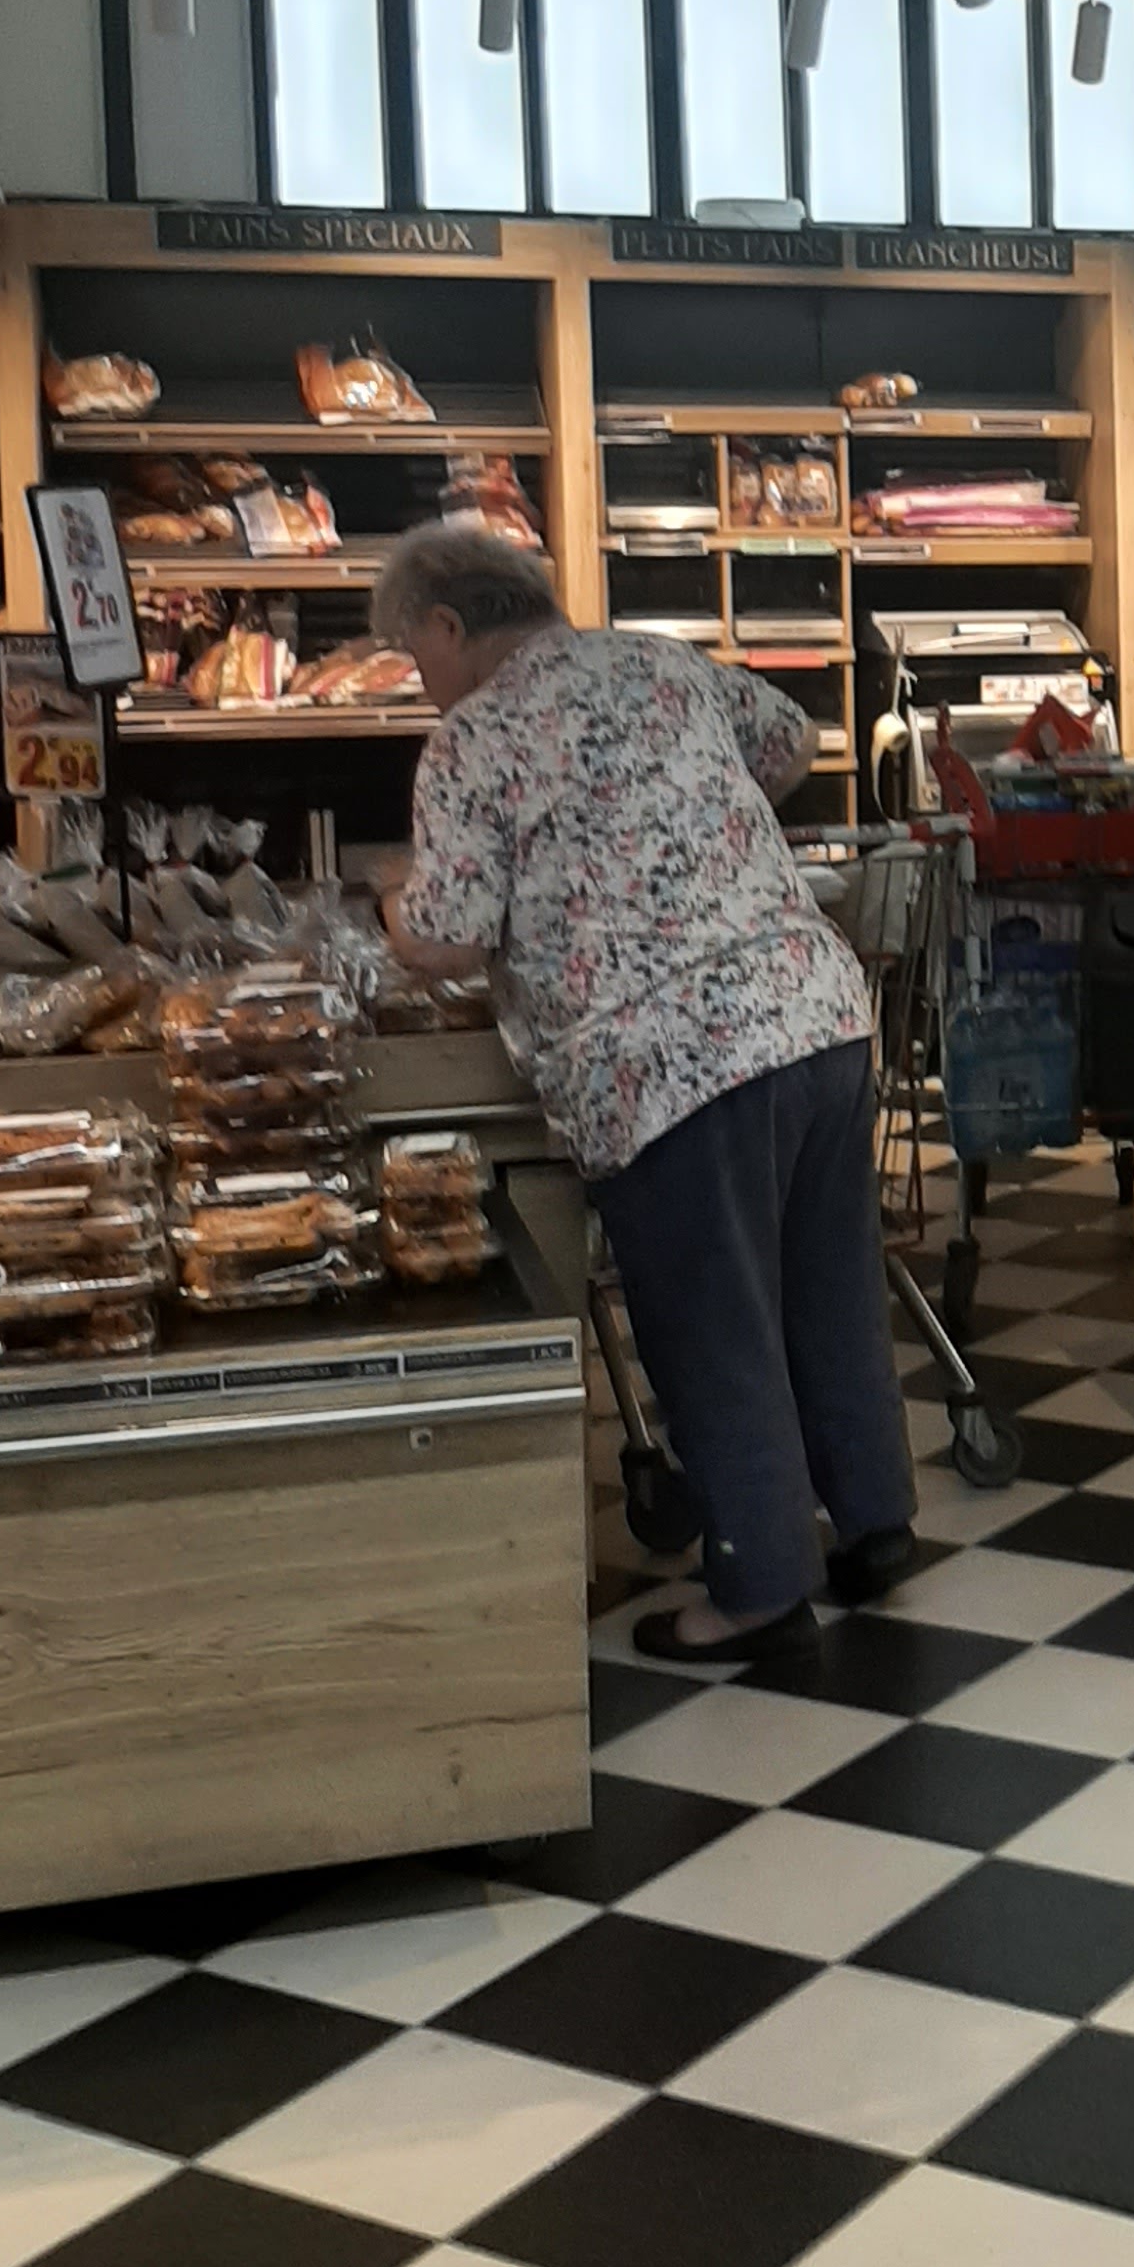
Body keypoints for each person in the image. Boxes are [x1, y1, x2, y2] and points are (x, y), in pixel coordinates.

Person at [371, 522, 915, 1665]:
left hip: (668, 1062)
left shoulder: (475, 738)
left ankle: (760, 1590)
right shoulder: (658, 661)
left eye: (412, 653)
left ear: (448, 625)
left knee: (713, 1327)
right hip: (814, 1012)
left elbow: (449, 938)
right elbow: (791, 740)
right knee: (829, 1291)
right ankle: (874, 1523)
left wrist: (389, 908)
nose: (418, 679)